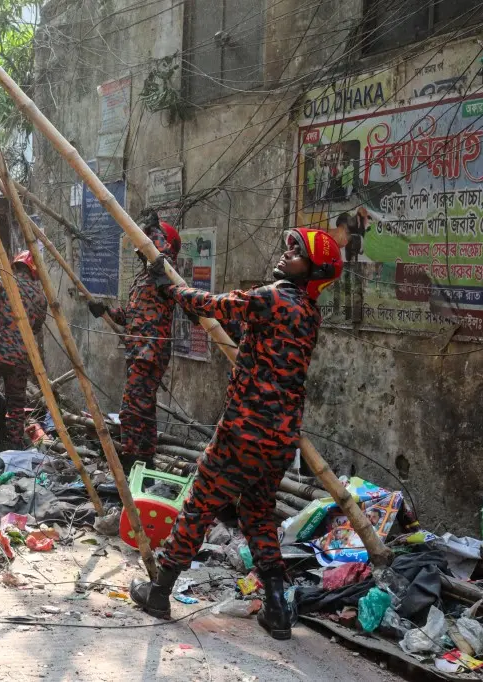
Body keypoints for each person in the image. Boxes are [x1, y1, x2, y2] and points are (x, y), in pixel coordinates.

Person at [130, 227, 343, 641]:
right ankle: (278, 609)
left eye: (296, 252)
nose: (286, 254)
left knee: (199, 505)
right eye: (289, 246)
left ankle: (159, 591)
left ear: (313, 270)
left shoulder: (274, 296)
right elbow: (230, 317)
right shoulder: (309, 313)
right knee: (259, 516)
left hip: (243, 431)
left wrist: (169, 285)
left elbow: (215, 305)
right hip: (280, 440)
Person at [88, 215, 180, 471]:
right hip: (138, 350)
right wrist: (105, 310)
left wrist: (153, 229)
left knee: (131, 411)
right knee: (143, 409)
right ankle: (146, 464)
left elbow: (162, 255)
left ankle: (130, 463)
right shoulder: (143, 279)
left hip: (150, 352)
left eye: (147, 242)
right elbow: (128, 316)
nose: (141, 248)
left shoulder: (165, 273)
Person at [0, 251, 46, 449]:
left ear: (16, 265)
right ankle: (14, 446)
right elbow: (36, 328)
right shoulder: (40, 296)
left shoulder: (0, 281)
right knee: (16, 406)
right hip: (21, 358)